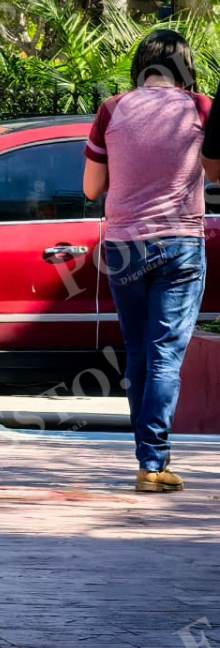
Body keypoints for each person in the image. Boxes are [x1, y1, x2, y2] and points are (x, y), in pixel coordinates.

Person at [84, 29, 211, 493]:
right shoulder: (201, 109)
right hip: (179, 244)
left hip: (123, 247)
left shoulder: (113, 109)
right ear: (186, 67)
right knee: (164, 357)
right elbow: (216, 172)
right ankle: (153, 462)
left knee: (138, 353)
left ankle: (150, 458)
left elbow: (90, 189)